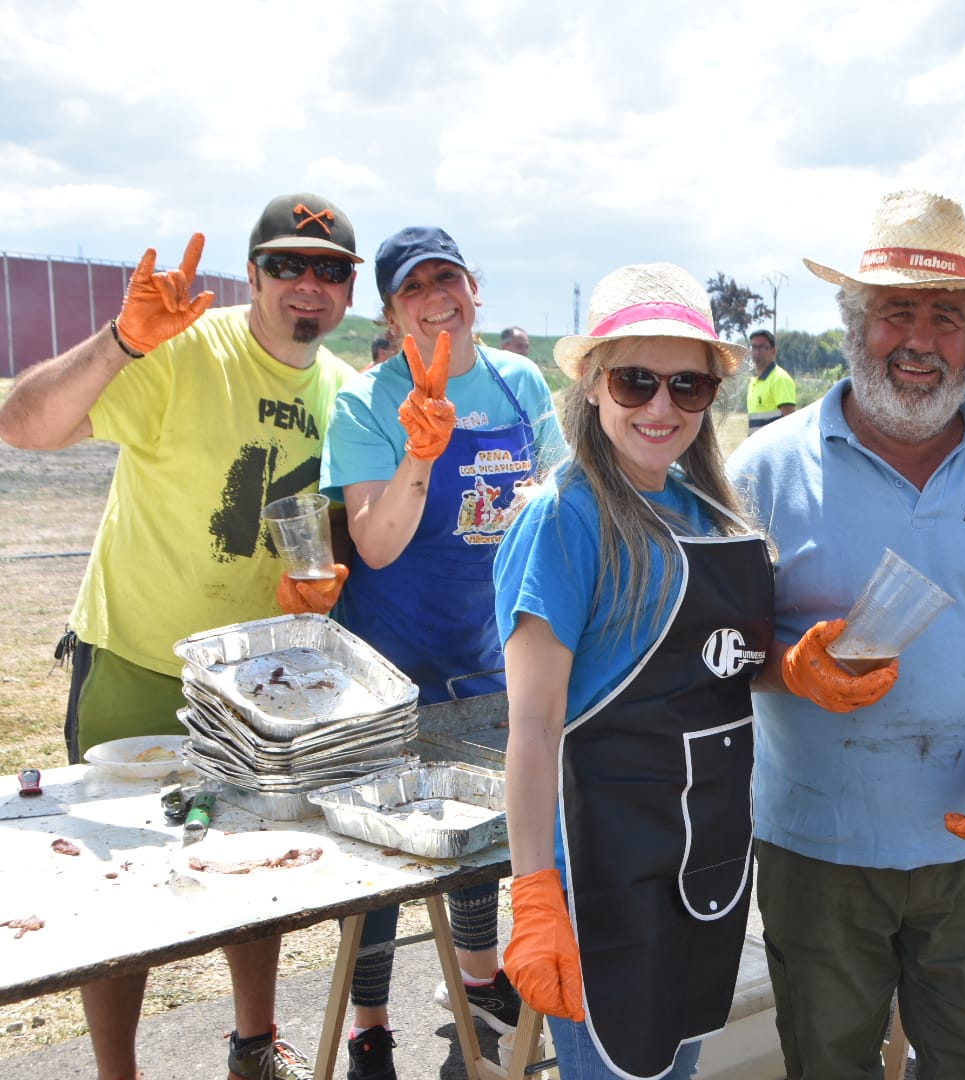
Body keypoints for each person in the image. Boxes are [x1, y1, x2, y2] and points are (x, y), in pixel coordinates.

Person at [727, 188, 965, 1079]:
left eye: (947, 317)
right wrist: (791, 667)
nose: (922, 341)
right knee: (828, 1064)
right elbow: (716, 652)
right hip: (818, 848)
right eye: (898, 313)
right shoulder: (764, 471)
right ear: (855, 322)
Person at [0, 191, 361, 1080]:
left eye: (330, 270)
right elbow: (23, 425)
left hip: (258, 679)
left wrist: (325, 587)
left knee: (256, 859)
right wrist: (122, 342)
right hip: (137, 659)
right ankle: (118, 1072)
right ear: (254, 274)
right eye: (286, 265)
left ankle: (252, 1041)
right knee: (116, 879)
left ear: (350, 291)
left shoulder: (346, 394)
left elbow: (346, 532)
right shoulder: (185, 348)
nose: (306, 285)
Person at [494, 262, 773, 1079]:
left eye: (686, 387)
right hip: (601, 872)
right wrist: (535, 891)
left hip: (702, 858)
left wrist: (791, 667)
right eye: (635, 380)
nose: (660, 408)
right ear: (589, 383)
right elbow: (535, 725)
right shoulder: (563, 519)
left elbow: (710, 670)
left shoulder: (704, 510)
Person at [319, 226, 565, 1080]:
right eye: (414, 285)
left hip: (489, 656)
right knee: (385, 859)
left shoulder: (520, 381)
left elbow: (562, 495)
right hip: (391, 665)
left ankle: (481, 981)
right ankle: (371, 1025)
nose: (436, 296)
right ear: (391, 310)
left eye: (448, 277)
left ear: (474, 291)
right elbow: (375, 546)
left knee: (474, 839)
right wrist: (420, 453)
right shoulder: (364, 402)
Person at [745, 328, 796, 430]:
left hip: (777, 445)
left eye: (762, 347)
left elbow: (791, 422)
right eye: (754, 347)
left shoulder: (780, 379)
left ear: (773, 351)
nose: (757, 352)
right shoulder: (753, 381)